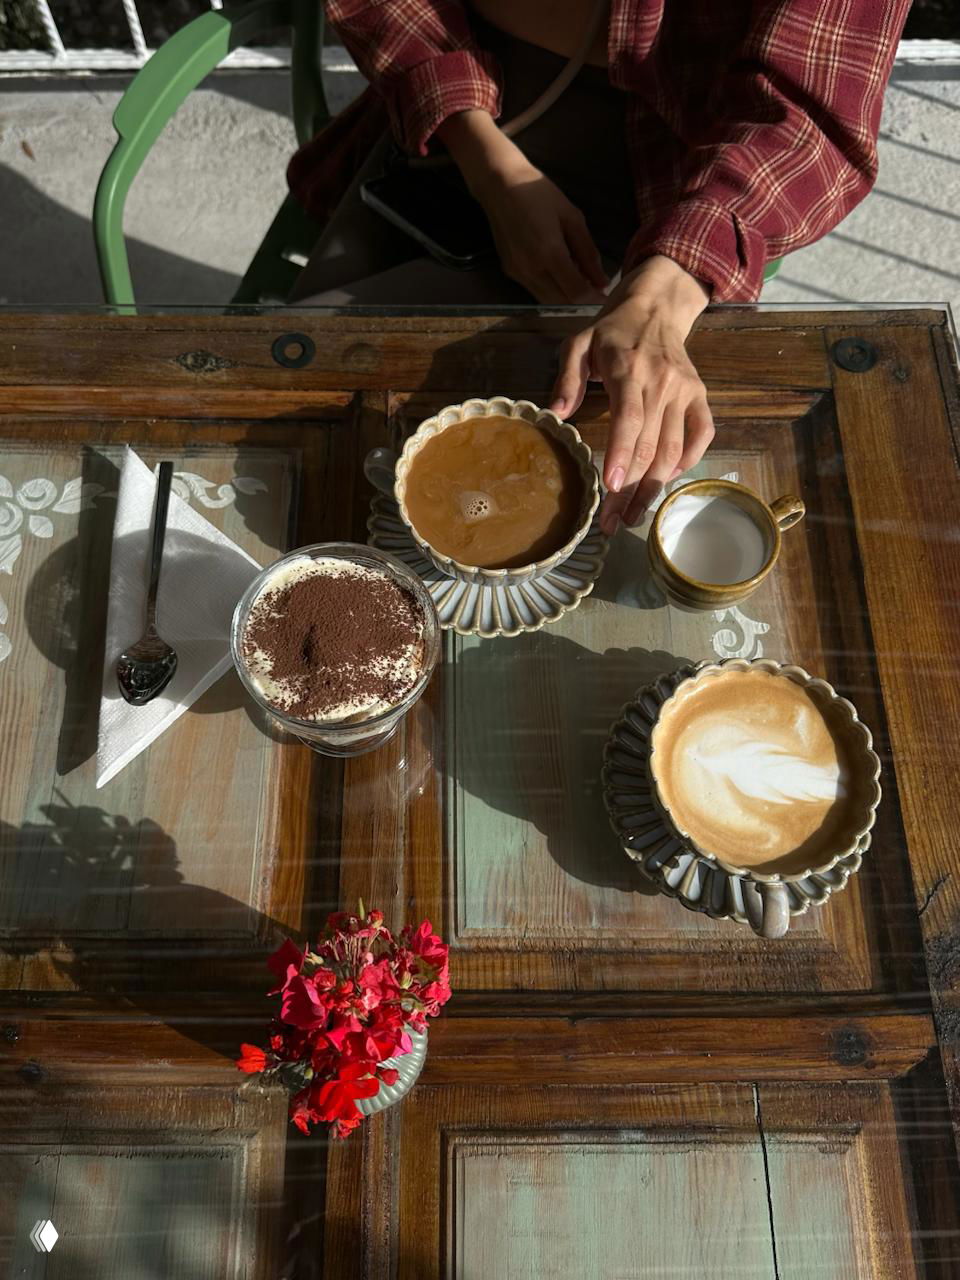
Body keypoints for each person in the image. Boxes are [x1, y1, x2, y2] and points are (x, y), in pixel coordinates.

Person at [287, 1, 909, 534]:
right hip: (454, 97)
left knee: (572, 467)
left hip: (682, 171)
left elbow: (813, 118)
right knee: (316, 403)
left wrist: (663, 290)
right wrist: (489, 166)